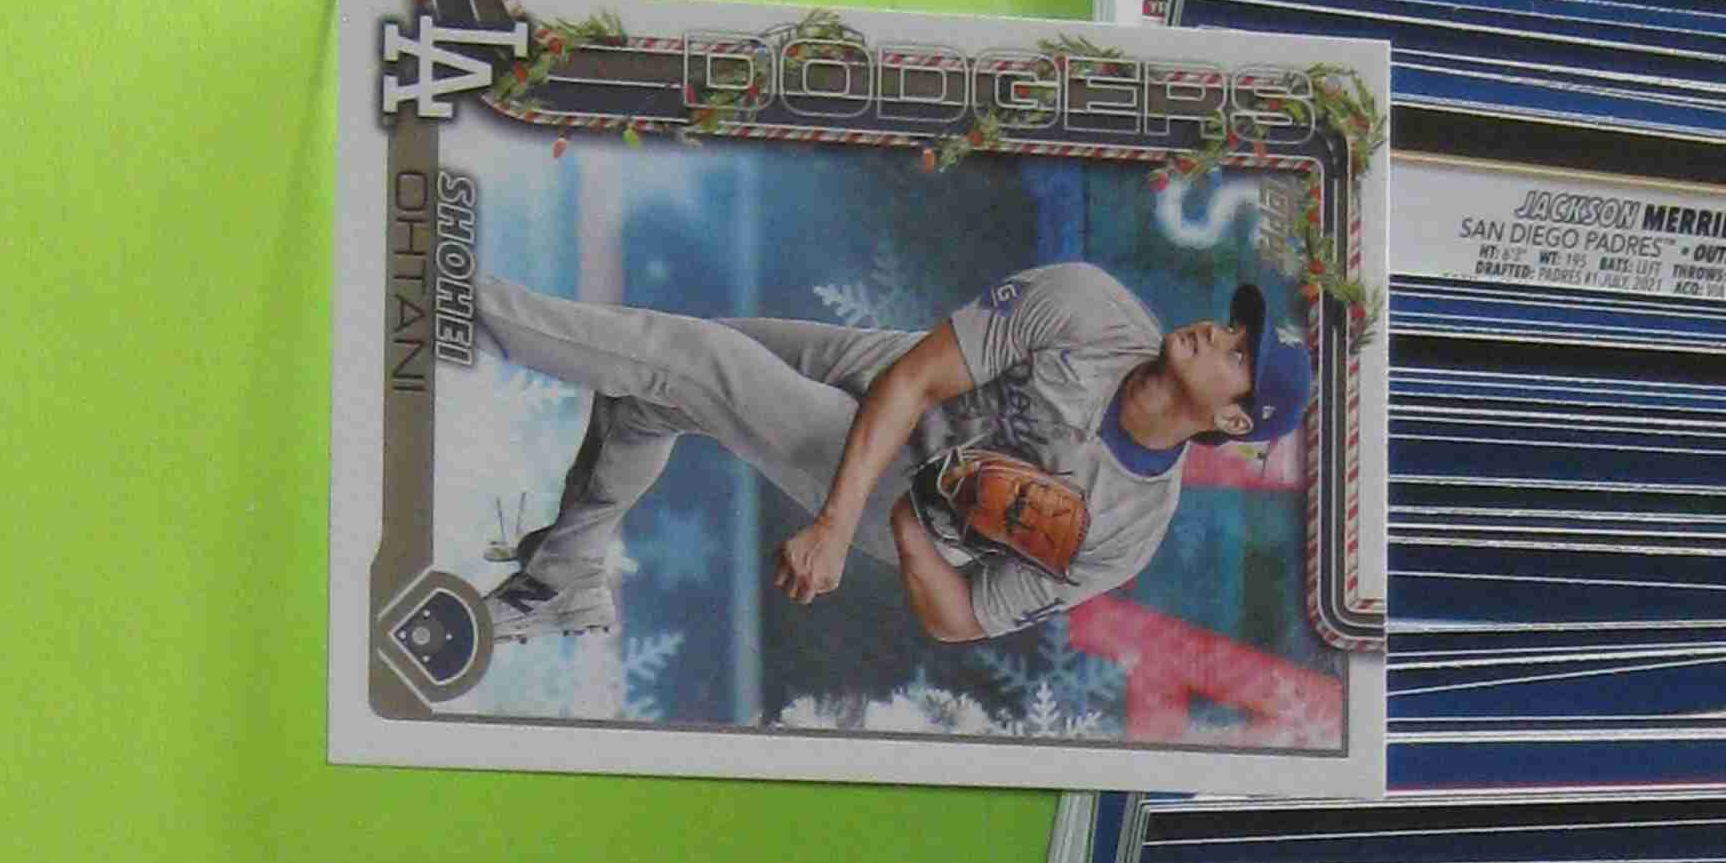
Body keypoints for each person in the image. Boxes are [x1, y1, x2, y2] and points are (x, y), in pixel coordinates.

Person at [473, 260, 1313, 645]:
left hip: (904, 494)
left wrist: (909, 532)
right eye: (1234, 327)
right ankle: (566, 576)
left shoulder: (1124, 528)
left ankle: (467, 307)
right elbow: (914, 378)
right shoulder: (1092, 307)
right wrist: (831, 528)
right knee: (649, 386)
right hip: (891, 377)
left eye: (1239, 355)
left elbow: (962, 618)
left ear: (1234, 421)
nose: (1219, 334)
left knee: (689, 362)